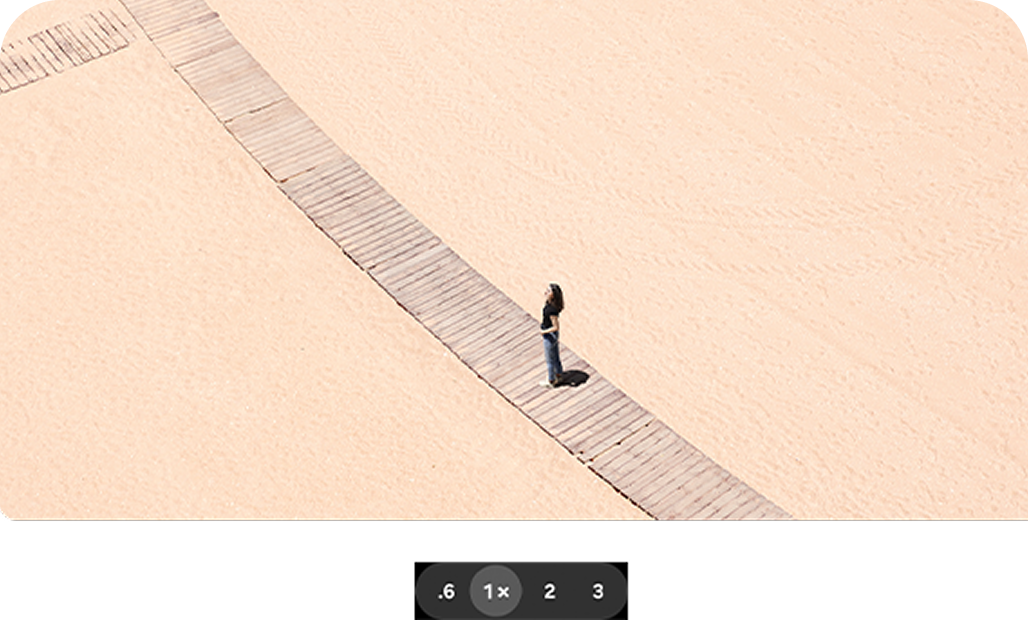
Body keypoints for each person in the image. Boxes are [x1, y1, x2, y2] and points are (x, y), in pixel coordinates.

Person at [540, 283, 565, 387]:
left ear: (553, 295)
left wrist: (544, 332)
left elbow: (556, 327)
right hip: (551, 334)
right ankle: (559, 374)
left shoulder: (551, 310)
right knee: (555, 355)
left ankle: (551, 380)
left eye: (549, 291)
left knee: (550, 359)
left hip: (550, 335)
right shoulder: (550, 304)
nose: (546, 291)